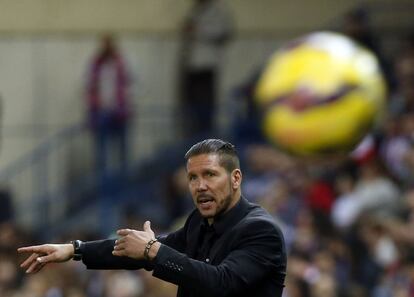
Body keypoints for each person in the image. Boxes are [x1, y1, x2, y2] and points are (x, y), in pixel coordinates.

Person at [18, 139, 287, 297]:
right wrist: (75, 250)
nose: (200, 185)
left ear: (236, 178)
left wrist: (152, 250)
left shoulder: (260, 231)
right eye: (193, 177)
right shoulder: (197, 223)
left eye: (210, 175)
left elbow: (221, 283)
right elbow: (137, 250)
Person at [178, 0, 233, 138]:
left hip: (207, 66)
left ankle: (205, 137)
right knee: (191, 108)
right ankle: (192, 137)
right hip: (191, 67)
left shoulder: (218, 11)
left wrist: (198, 30)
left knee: (205, 106)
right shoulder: (195, 10)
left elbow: (225, 32)